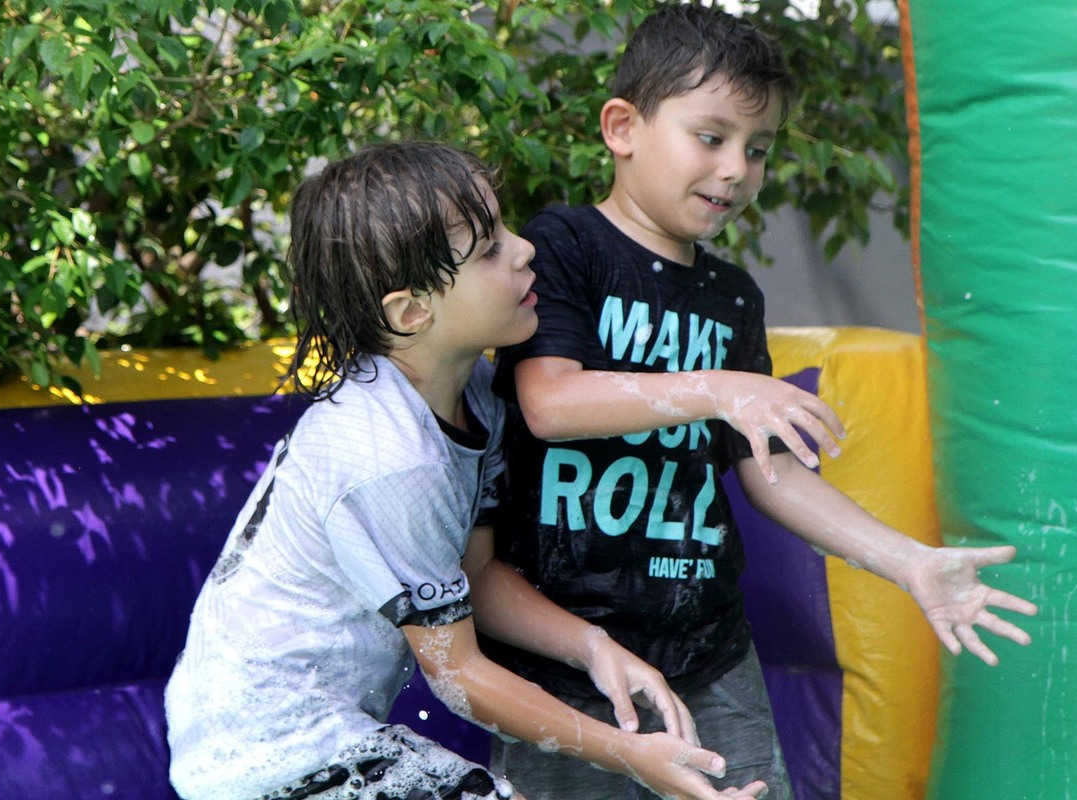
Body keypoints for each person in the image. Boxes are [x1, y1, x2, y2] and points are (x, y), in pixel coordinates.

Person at [485, 5, 1040, 799]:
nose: (737, 169)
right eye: (711, 137)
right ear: (622, 127)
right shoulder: (567, 246)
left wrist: (906, 560)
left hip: (708, 649)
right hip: (564, 657)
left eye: (758, 149)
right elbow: (550, 402)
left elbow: (770, 474)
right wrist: (718, 387)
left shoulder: (732, 298)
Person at [163, 141, 770, 800]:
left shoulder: (474, 394)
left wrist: (593, 646)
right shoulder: (387, 457)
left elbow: (476, 576)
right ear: (411, 312)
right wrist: (628, 754)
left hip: (323, 732)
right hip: (263, 753)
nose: (525, 250)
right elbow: (458, 676)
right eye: (488, 250)